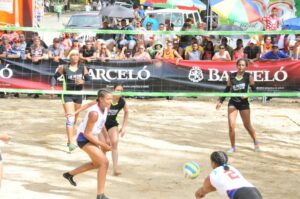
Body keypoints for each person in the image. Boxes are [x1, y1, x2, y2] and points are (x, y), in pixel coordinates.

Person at [63, 89, 113, 199]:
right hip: (83, 139)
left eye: (111, 98)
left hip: (90, 137)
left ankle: (69, 175)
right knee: (104, 163)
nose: (111, 101)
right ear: (100, 99)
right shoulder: (94, 113)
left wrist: (106, 137)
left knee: (97, 164)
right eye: (108, 98)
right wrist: (103, 145)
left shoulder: (104, 106)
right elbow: (87, 134)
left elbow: (102, 121)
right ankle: (100, 195)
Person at [69, 84, 129, 176]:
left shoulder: (122, 102)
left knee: (115, 143)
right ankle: (103, 165)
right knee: (104, 145)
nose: (119, 92)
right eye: (117, 90)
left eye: (121, 90)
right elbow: (89, 104)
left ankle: (115, 168)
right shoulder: (105, 99)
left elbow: (127, 112)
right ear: (113, 90)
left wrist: (124, 127)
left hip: (112, 124)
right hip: (101, 125)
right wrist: (75, 112)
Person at [216, 58, 261, 153]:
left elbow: (255, 91)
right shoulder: (231, 76)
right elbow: (227, 90)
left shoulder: (248, 76)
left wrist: (248, 95)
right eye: (239, 65)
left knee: (247, 125)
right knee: (231, 126)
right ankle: (233, 147)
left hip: (244, 103)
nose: (241, 67)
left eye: (243, 65)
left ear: (246, 67)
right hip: (233, 103)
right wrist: (220, 101)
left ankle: (256, 142)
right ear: (237, 66)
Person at [51, 50, 91, 152]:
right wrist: (52, 87)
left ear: (79, 57)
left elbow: (89, 80)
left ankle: (70, 140)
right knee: (70, 118)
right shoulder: (64, 67)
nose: (75, 57)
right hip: (67, 94)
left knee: (75, 119)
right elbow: (54, 77)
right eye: (72, 55)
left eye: (76, 55)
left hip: (78, 95)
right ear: (69, 57)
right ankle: (71, 143)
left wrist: (83, 81)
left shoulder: (82, 67)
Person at [195, 151, 263, 199]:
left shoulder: (214, 173)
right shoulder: (232, 168)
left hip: (240, 194)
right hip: (254, 191)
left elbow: (205, 189)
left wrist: (199, 193)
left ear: (213, 163)